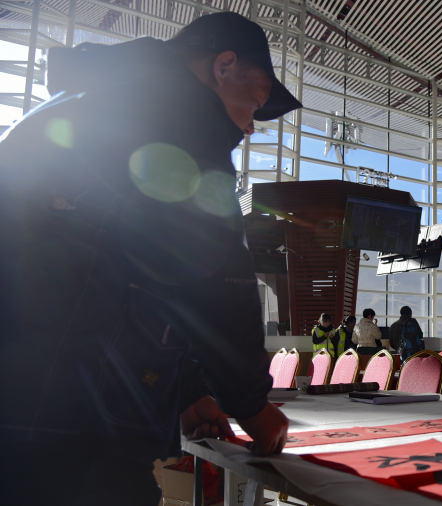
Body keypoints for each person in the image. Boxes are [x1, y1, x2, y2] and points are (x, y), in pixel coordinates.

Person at [0, 12, 301, 505]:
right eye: (256, 100)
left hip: (29, 397)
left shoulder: (89, 103)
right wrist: (251, 405)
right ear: (224, 65)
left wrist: (187, 390)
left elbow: (133, 267)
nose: (251, 126)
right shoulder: (181, 111)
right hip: (78, 417)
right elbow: (216, 274)